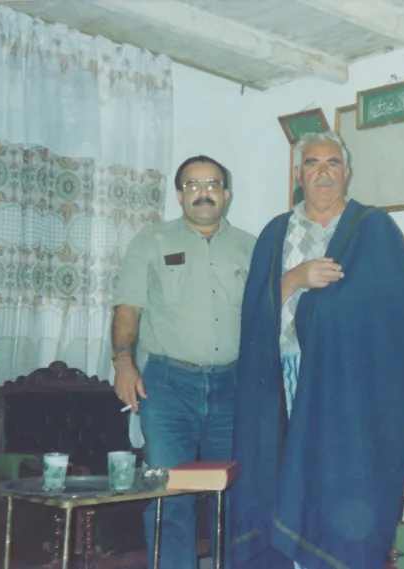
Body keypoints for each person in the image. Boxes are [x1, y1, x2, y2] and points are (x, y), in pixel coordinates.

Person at [229, 131, 404, 569]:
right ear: (299, 175)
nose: (323, 172)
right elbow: (252, 310)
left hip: (350, 390)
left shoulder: (373, 229)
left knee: (342, 484)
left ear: (347, 173)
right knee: (286, 479)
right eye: (313, 163)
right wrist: (295, 280)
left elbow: (403, 309)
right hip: (285, 380)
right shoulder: (275, 233)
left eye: (333, 163)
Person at [112, 155, 256, 569]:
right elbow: (128, 307)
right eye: (193, 185)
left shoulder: (250, 247)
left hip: (233, 388)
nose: (203, 192)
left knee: (233, 496)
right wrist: (123, 362)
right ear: (179, 195)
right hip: (167, 386)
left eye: (212, 184)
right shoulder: (151, 241)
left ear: (226, 194)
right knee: (168, 494)